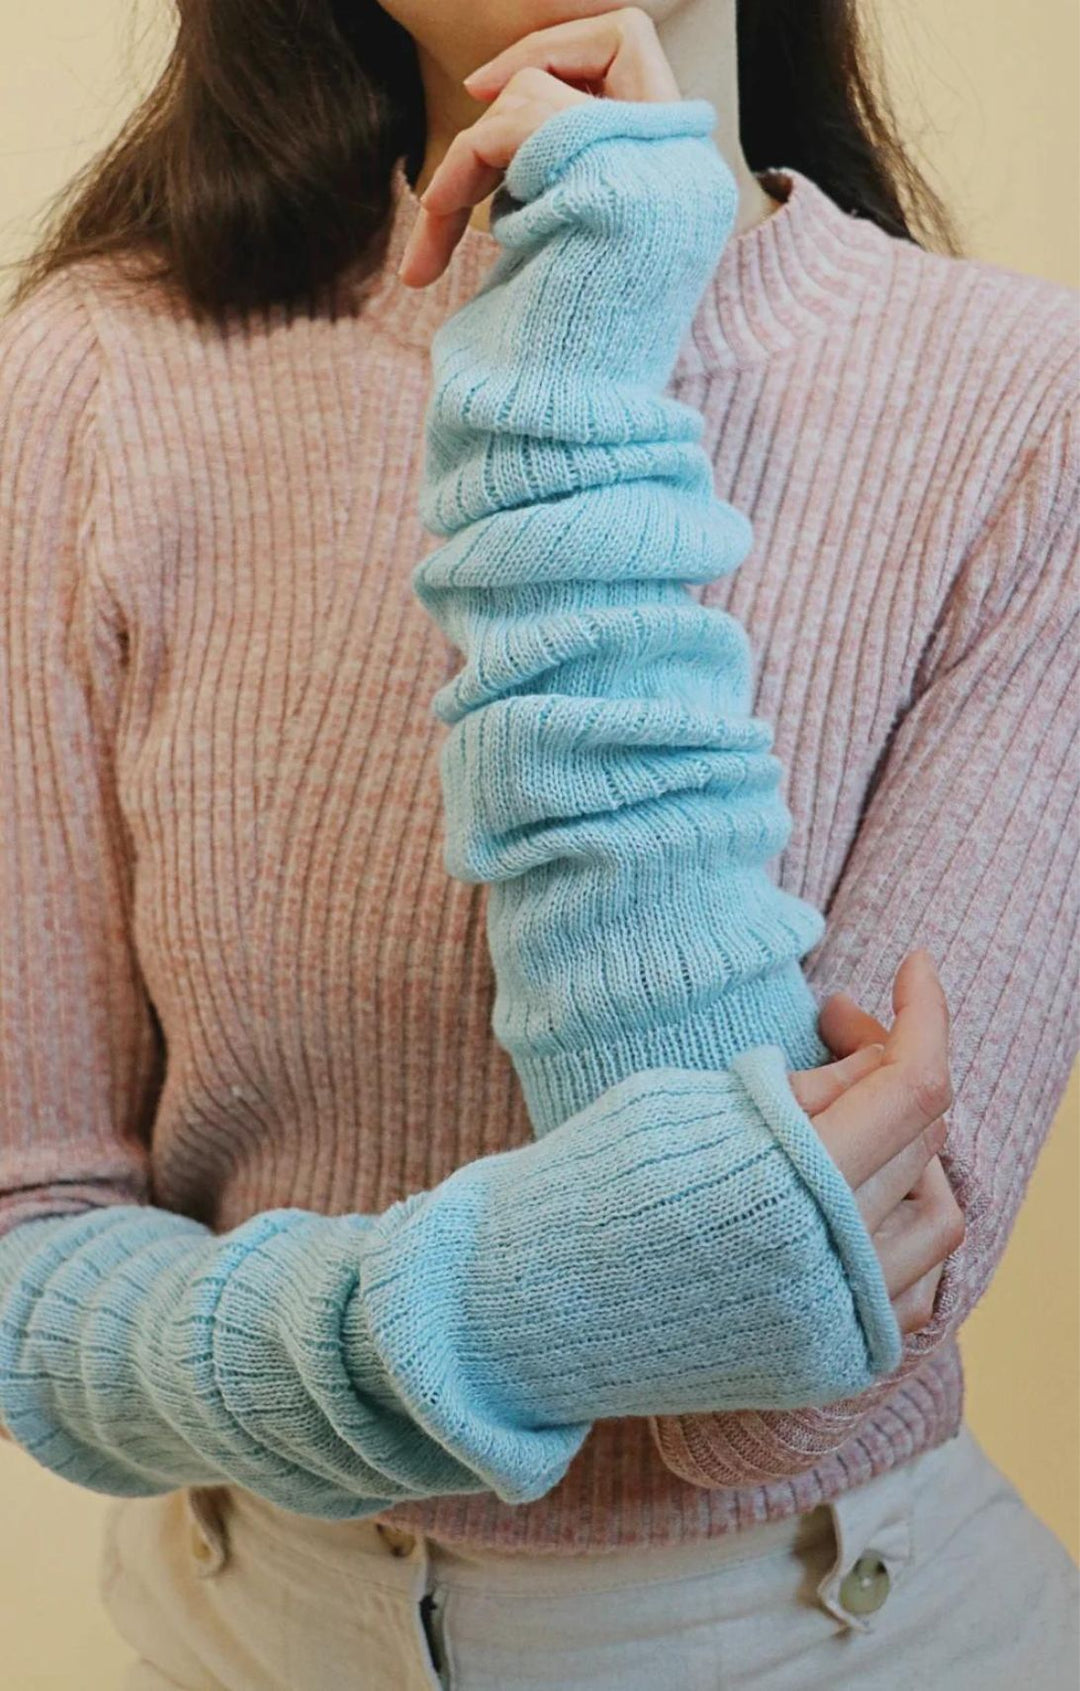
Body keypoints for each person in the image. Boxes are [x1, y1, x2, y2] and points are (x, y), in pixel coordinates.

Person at [0, 4, 1076, 1687]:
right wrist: (484, 1310)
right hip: (242, 1633)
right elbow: (26, 1237)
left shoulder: (1030, 412)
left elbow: (786, 1369)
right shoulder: (97, 374)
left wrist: (566, 397)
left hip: (837, 1639)